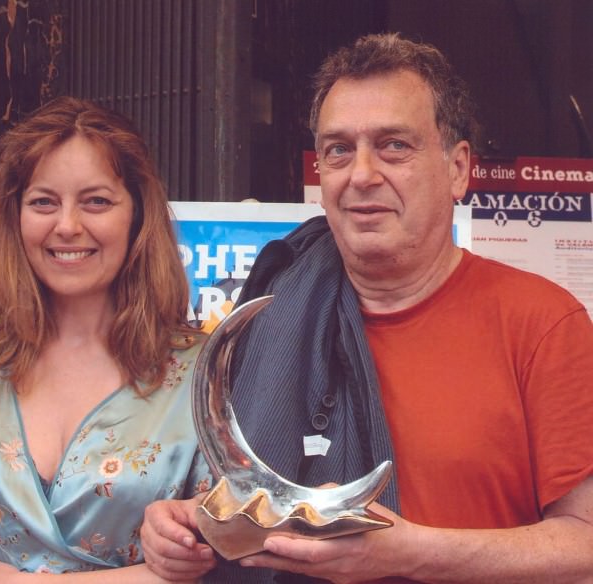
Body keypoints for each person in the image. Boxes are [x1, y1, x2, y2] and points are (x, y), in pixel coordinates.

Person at [141, 32, 593, 583]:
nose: (361, 175)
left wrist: (413, 553)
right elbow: (258, 502)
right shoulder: (273, 316)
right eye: (338, 149)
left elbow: (584, 548)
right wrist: (185, 531)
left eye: (393, 145)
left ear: (458, 169)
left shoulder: (542, 323)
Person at [0, 96, 215, 583]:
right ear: (14, 217)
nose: (67, 226)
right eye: (43, 202)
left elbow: (227, 555)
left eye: (96, 201)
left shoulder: (205, 372)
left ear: (139, 216)